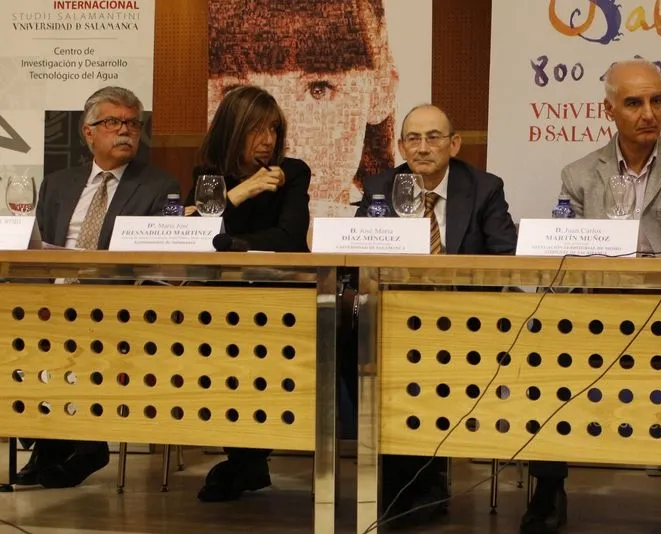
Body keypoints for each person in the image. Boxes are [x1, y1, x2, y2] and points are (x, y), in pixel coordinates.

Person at [522, 60, 661, 534]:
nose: (649, 112)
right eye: (634, 102)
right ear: (608, 110)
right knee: (548, 353)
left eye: (656, 100)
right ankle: (548, 488)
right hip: (595, 317)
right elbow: (567, 258)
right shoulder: (580, 174)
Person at [355, 104, 518, 528]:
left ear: (454, 143)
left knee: (428, 361)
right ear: (401, 145)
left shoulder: (482, 187)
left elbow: (506, 257)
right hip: (395, 321)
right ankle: (400, 484)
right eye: (413, 138)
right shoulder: (380, 187)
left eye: (433, 137)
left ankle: (421, 486)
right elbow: (356, 257)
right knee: (375, 353)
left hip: (466, 322)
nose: (423, 147)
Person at [22, 86, 179, 489]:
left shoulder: (158, 185)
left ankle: (82, 443)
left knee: (75, 339)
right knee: (21, 333)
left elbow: (155, 256)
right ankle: (49, 440)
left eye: (132, 123)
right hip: (52, 298)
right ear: (88, 131)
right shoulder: (58, 184)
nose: (125, 131)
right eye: (113, 122)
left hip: (114, 303)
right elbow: (36, 247)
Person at [187, 85, 311, 501]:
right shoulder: (209, 176)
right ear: (233, 130)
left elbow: (290, 240)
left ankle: (246, 462)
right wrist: (241, 192)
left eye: (273, 129)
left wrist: (230, 244)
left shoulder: (292, 172)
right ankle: (246, 462)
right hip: (222, 302)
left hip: (282, 300)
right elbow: (189, 231)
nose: (268, 140)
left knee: (255, 351)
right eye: (258, 129)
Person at [207, 0, 398, 217]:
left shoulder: (386, 219)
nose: (279, 140)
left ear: (383, 87)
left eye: (318, 89)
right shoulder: (208, 177)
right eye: (239, 92)